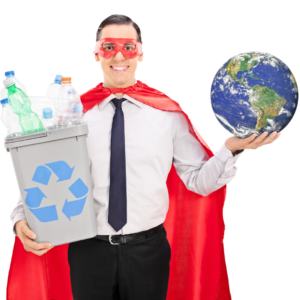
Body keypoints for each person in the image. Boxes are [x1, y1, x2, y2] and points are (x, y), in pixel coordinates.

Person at [10, 14, 280, 300]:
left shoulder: (167, 115)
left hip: (148, 251)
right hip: (88, 250)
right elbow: (44, 173)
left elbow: (198, 182)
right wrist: (19, 219)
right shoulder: (74, 114)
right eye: (109, 46)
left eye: (128, 46)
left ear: (140, 52)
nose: (119, 56)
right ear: (96, 53)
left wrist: (230, 148)